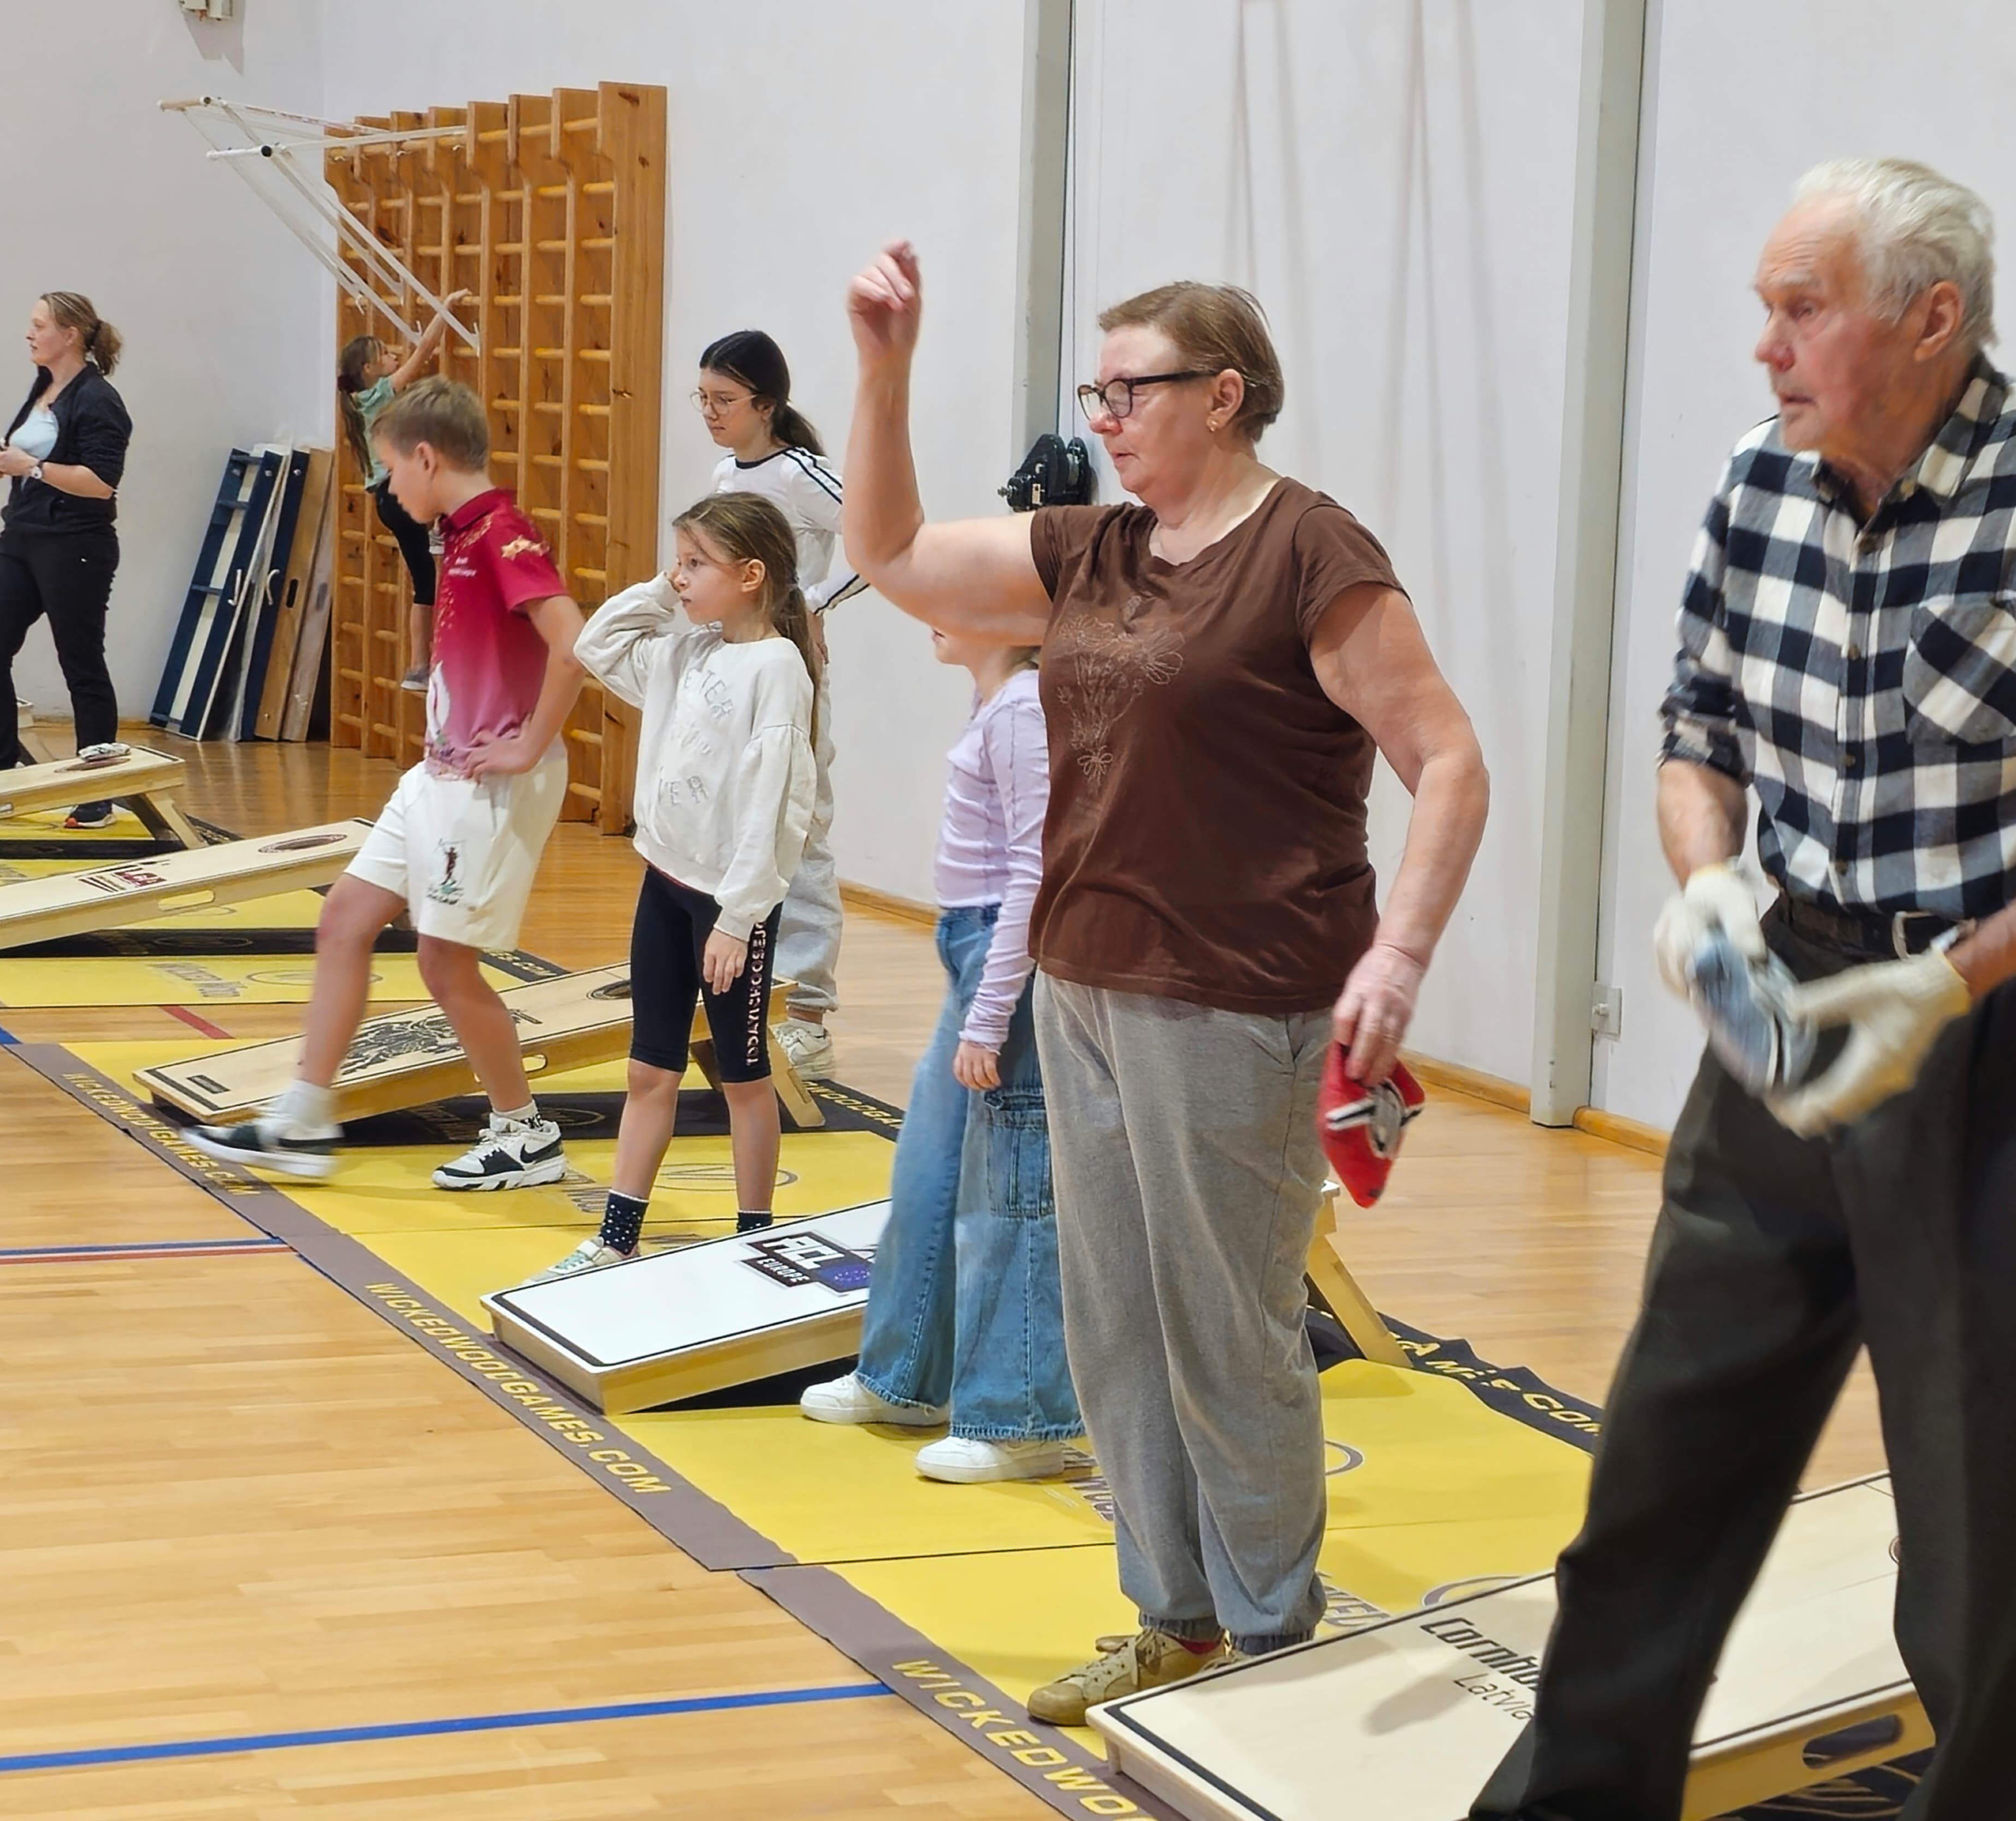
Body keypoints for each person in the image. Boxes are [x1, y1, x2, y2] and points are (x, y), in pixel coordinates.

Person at [1469, 160, 2016, 1821]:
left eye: (1796, 306)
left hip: (2007, 1032)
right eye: (1763, 304)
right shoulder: (1758, 482)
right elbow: (1695, 729)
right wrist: (1712, 891)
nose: (1761, 345)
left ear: (1928, 318)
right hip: (1786, 997)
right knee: (1659, 1465)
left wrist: (1945, 980)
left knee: (1982, 1527)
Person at [841, 245, 1492, 1721]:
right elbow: (888, 555)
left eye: (1132, 388)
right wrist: (885, 369)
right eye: (1098, 390)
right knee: (1115, 1320)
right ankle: (1177, 1618)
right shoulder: (1093, 549)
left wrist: (1400, 955)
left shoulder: (1311, 552)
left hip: (1245, 994)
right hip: (1086, 982)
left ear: (1226, 395)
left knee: (1223, 1321)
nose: (1109, 414)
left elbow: (1448, 760)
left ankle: (1271, 1642)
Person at [184, 378, 587, 1191]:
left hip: (488, 784)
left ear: (428, 458)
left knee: (445, 965)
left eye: (392, 471)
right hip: (439, 773)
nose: (389, 489)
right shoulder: (460, 534)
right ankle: (302, 1119)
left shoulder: (504, 535)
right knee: (344, 919)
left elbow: (575, 643)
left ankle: (523, 1131)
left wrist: (529, 745)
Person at [798, 626, 1078, 1483]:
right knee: (928, 1171)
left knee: (1013, 1191)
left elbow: (1037, 869)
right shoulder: (992, 696)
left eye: (953, 595)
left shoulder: (1027, 704)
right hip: (971, 947)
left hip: (1004, 953)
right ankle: (908, 1375)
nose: (929, 611)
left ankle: (1023, 1420)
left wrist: (991, 1016)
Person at [539, 491, 821, 1277]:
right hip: (663, 882)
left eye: (697, 564)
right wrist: (665, 592)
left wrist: (739, 917)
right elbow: (596, 645)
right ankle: (616, 1236)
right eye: (680, 561)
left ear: (752, 575)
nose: (681, 577)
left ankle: (754, 1235)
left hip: (728, 904)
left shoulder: (778, 668)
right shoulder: (685, 651)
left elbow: (780, 801)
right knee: (647, 1069)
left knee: (744, 1073)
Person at [693, 329, 863, 1082]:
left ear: (766, 403)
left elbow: (879, 538)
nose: (710, 412)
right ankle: (748, 995)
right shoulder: (726, 473)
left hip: (794, 668)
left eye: (724, 400)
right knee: (739, 825)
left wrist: (815, 600)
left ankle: (810, 1017)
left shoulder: (803, 475)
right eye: (702, 398)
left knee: (801, 832)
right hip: (735, 669)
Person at [0, 291, 132, 829]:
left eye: (39, 325)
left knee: (80, 661)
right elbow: (35, 459)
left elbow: (101, 482)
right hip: (22, 536)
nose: (29, 333)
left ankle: (97, 789)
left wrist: (31, 467)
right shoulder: (43, 385)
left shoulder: (99, 399)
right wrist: (6, 467)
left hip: (75, 543)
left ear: (71, 334)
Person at [338, 291, 473, 692]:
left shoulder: (357, 400)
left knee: (424, 581)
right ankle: (436, 524)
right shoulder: (379, 394)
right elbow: (424, 352)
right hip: (399, 496)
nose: (393, 356)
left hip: (386, 501)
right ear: (369, 370)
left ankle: (419, 666)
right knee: (428, 576)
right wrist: (445, 309)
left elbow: (402, 358)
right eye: (384, 355)